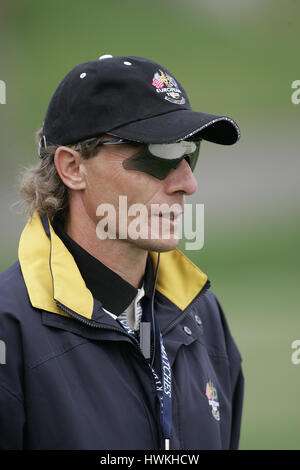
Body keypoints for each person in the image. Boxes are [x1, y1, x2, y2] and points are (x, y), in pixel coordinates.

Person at [0, 54, 244, 450]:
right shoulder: (10, 331)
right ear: (72, 167)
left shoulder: (202, 316)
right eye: (160, 153)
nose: (187, 182)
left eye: (189, 153)